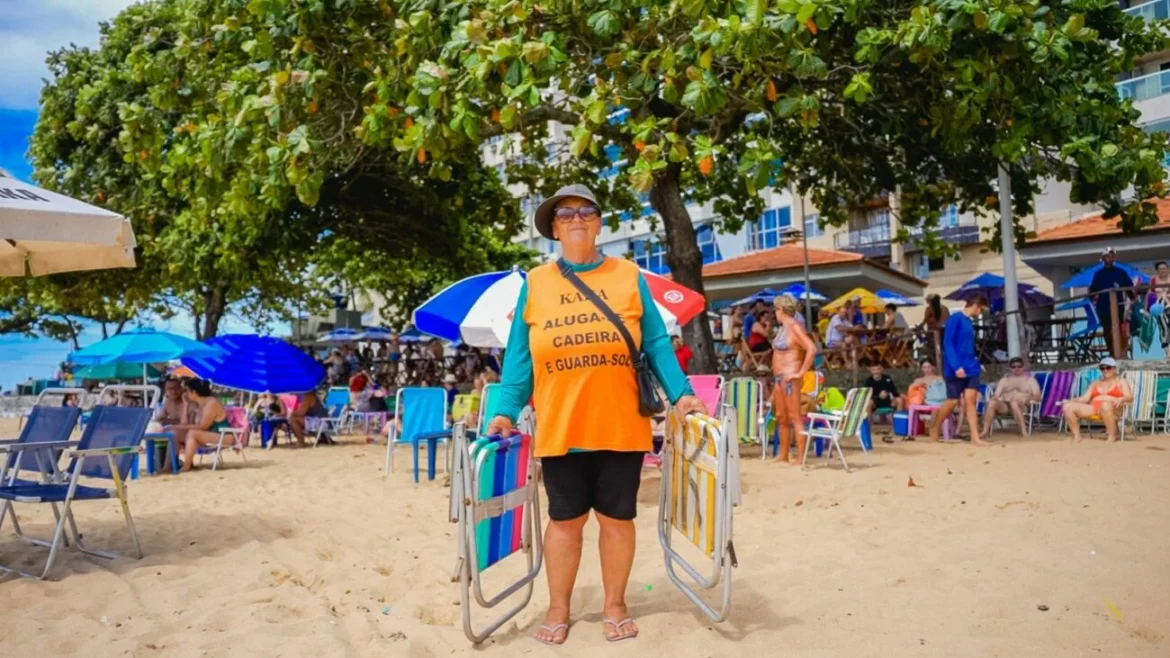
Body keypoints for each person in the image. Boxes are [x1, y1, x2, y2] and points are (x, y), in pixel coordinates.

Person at [484, 184, 706, 645]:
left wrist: (682, 394)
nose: (578, 219)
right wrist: (504, 412)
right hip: (563, 425)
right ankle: (559, 607)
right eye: (566, 214)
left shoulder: (627, 275)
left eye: (587, 211)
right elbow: (519, 362)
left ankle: (615, 605)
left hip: (621, 422)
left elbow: (657, 343)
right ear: (554, 229)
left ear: (599, 223)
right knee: (564, 522)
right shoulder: (536, 284)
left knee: (617, 519)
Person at [929, 295, 989, 446]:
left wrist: (976, 361)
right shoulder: (955, 319)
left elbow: (967, 345)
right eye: (981, 309)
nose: (981, 312)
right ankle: (935, 427)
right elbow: (948, 343)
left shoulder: (968, 322)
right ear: (975, 305)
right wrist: (956, 366)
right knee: (953, 400)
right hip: (955, 367)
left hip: (971, 366)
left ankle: (975, 437)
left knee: (970, 400)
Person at [769, 294, 817, 465]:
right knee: (781, 416)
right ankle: (783, 454)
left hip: (790, 377)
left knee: (795, 417)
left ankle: (800, 457)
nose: (774, 312)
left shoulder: (795, 327)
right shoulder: (783, 327)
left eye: (775, 309)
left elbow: (811, 348)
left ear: (780, 309)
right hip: (779, 378)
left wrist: (800, 373)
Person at [1062, 357, 1133, 443]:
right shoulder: (1095, 383)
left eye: (1108, 367)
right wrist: (1072, 400)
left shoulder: (1121, 381)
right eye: (1102, 368)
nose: (1105, 370)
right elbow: (1084, 398)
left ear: (1114, 369)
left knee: (1105, 405)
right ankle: (1077, 436)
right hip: (1095, 408)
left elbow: (1130, 397)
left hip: (1114, 409)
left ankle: (1112, 436)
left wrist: (1121, 399)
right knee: (1067, 407)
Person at [166, 379, 229, 472]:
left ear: (194, 392)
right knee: (176, 434)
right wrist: (185, 405)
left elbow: (203, 426)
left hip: (224, 436)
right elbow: (185, 425)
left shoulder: (211, 403)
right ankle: (167, 467)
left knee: (192, 433)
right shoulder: (198, 404)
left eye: (187, 390)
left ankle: (187, 465)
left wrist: (176, 426)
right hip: (208, 435)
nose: (185, 393)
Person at [980, 357, 1041, 439]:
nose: (1017, 369)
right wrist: (994, 398)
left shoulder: (1030, 380)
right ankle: (985, 431)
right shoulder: (1005, 380)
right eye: (1014, 367)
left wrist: (1025, 397)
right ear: (1010, 368)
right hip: (1005, 405)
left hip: (1022, 405)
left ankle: (1023, 431)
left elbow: (1038, 396)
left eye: (1019, 366)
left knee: (1014, 402)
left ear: (1023, 367)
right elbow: (996, 395)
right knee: (992, 402)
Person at [1089, 248, 1134, 359]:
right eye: (1108, 256)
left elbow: (1128, 286)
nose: (1110, 258)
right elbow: (1092, 290)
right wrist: (1090, 302)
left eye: (1112, 256)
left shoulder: (1120, 272)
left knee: (1118, 328)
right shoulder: (1098, 274)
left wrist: (1132, 299)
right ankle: (1112, 352)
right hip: (1103, 306)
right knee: (1107, 329)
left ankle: (1120, 351)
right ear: (1103, 258)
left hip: (1118, 305)